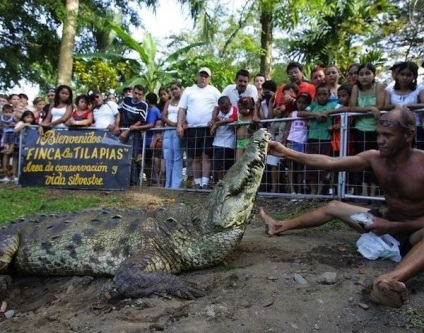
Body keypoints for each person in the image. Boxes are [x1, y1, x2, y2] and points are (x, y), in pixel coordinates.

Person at [260, 107, 424, 309]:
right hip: (384, 223)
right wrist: (285, 151)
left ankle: (388, 281)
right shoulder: (375, 158)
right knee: (335, 206)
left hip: (413, 232)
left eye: (388, 135)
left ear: (408, 135)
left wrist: (393, 227)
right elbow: (330, 162)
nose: (380, 140)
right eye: (378, 134)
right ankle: (279, 226)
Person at [177, 67, 220, 189]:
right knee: (195, 157)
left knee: (206, 156)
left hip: (207, 128)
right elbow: (182, 109)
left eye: (206, 76)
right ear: (197, 76)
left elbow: (221, 105)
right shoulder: (189, 91)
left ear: (209, 79)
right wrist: (179, 125)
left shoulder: (214, 91)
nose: (203, 78)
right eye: (201, 75)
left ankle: (205, 183)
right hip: (192, 128)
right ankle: (197, 183)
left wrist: (215, 119)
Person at [349, 63, 386, 197]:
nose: (364, 77)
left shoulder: (379, 86)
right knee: (362, 161)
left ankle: (374, 192)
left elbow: (380, 105)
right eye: (361, 74)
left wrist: (373, 108)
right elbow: (352, 107)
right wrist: (371, 109)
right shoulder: (355, 88)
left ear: (374, 75)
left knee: (377, 160)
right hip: (360, 129)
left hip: (376, 129)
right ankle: (364, 192)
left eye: (367, 73)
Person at [298, 83, 341, 195]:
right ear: (316, 95)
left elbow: (346, 108)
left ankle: (320, 193)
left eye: (325, 94)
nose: (322, 96)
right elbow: (300, 113)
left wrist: (328, 112)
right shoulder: (312, 105)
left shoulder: (333, 105)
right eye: (320, 94)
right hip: (312, 139)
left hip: (326, 140)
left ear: (329, 95)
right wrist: (314, 114)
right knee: (311, 166)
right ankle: (313, 191)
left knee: (323, 166)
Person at [383, 61, 424, 150]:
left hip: (415, 126)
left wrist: (411, 106)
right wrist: (395, 107)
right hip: (395, 127)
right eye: (402, 74)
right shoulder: (389, 89)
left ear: (414, 76)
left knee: (416, 152)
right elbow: (385, 106)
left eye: (409, 75)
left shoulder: (419, 88)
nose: (405, 78)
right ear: (398, 75)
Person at [118, 85, 149, 186]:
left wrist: (128, 130)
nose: (137, 96)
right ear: (132, 93)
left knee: (135, 157)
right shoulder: (126, 100)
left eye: (139, 94)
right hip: (122, 129)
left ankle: (133, 182)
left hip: (134, 133)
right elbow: (119, 112)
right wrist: (116, 126)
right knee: (121, 155)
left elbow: (141, 121)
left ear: (142, 95)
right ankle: (120, 179)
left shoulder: (144, 105)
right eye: (135, 93)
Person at [284, 92, 311, 195]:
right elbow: (287, 128)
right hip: (292, 141)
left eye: (304, 103)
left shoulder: (308, 115)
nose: (301, 105)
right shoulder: (292, 114)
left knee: (300, 168)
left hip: (303, 143)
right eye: (299, 102)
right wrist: (284, 141)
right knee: (291, 167)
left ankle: (299, 190)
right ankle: (292, 190)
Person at [210, 95, 237, 182]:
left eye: (226, 108)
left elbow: (232, 119)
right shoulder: (218, 111)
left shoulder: (234, 109)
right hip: (217, 142)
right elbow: (213, 119)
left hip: (228, 143)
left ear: (230, 104)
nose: (224, 110)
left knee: (228, 165)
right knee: (218, 165)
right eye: (222, 109)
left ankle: (227, 183)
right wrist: (215, 120)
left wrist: (218, 123)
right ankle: (220, 183)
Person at [162, 82, 184, 189]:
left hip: (178, 130)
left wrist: (178, 124)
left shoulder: (184, 102)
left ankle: (176, 185)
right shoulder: (168, 102)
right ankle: (168, 184)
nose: (174, 91)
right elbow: (163, 115)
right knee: (167, 157)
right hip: (168, 130)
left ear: (180, 89)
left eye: (176, 88)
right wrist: (171, 123)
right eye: (172, 89)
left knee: (177, 157)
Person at [0, 104, 16, 183]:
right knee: (6, 143)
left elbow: (15, 125)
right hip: (5, 133)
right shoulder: (1, 118)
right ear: (3, 112)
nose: (8, 114)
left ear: (12, 113)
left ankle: (10, 148)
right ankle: (6, 148)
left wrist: (11, 125)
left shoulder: (13, 118)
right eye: (6, 112)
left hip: (12, 133)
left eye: (10, 112)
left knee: (12, 143)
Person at [150, 119, 165, 187]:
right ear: (155, 126)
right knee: (157, 169)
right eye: (157, 125)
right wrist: (156, 139)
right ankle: (158, 184)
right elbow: (151, 147)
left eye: (161, 125)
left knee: (163, 170)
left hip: (163, 154)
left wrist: (162, 139)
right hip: (156, 154)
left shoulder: (165, 135)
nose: (159, 126)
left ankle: (163, 183)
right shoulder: (154, 136)